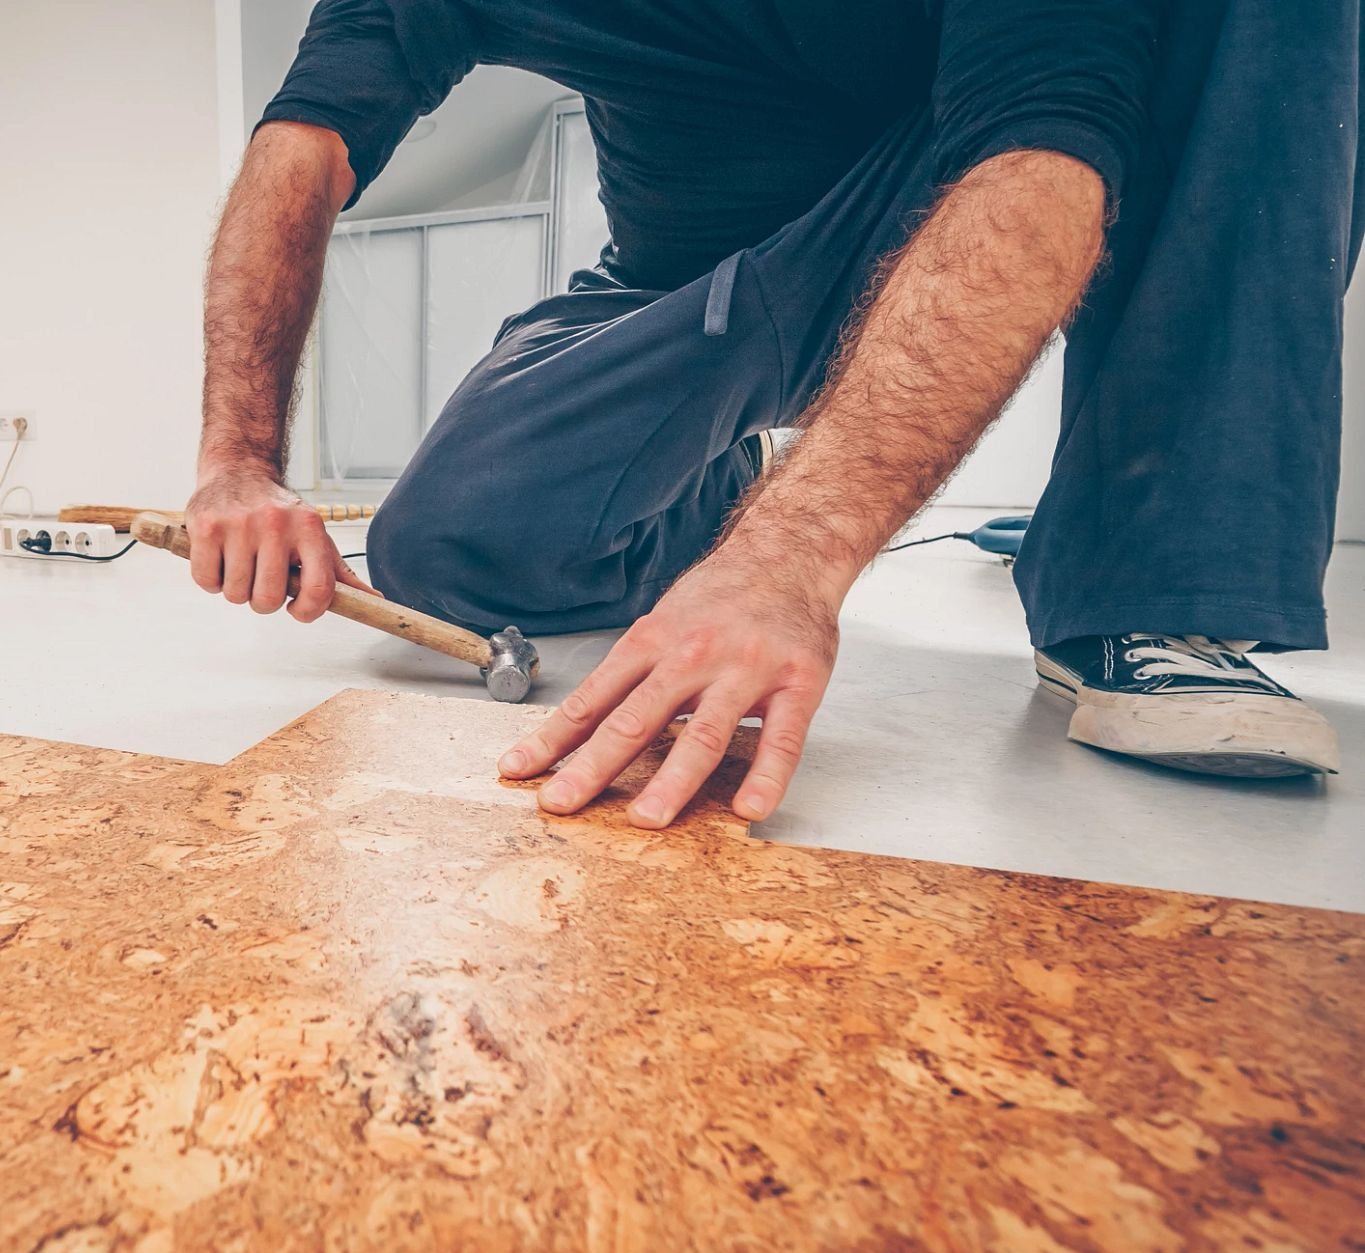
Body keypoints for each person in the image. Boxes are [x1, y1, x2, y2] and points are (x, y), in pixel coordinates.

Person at [187, 0, 1353, 830]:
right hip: (685, 285)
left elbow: (1044, 146)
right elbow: (300, 147)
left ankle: (1146, 591)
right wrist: (237, 458)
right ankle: (721, 494)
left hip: (932, 202)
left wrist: (794, 563)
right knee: (443, 544)